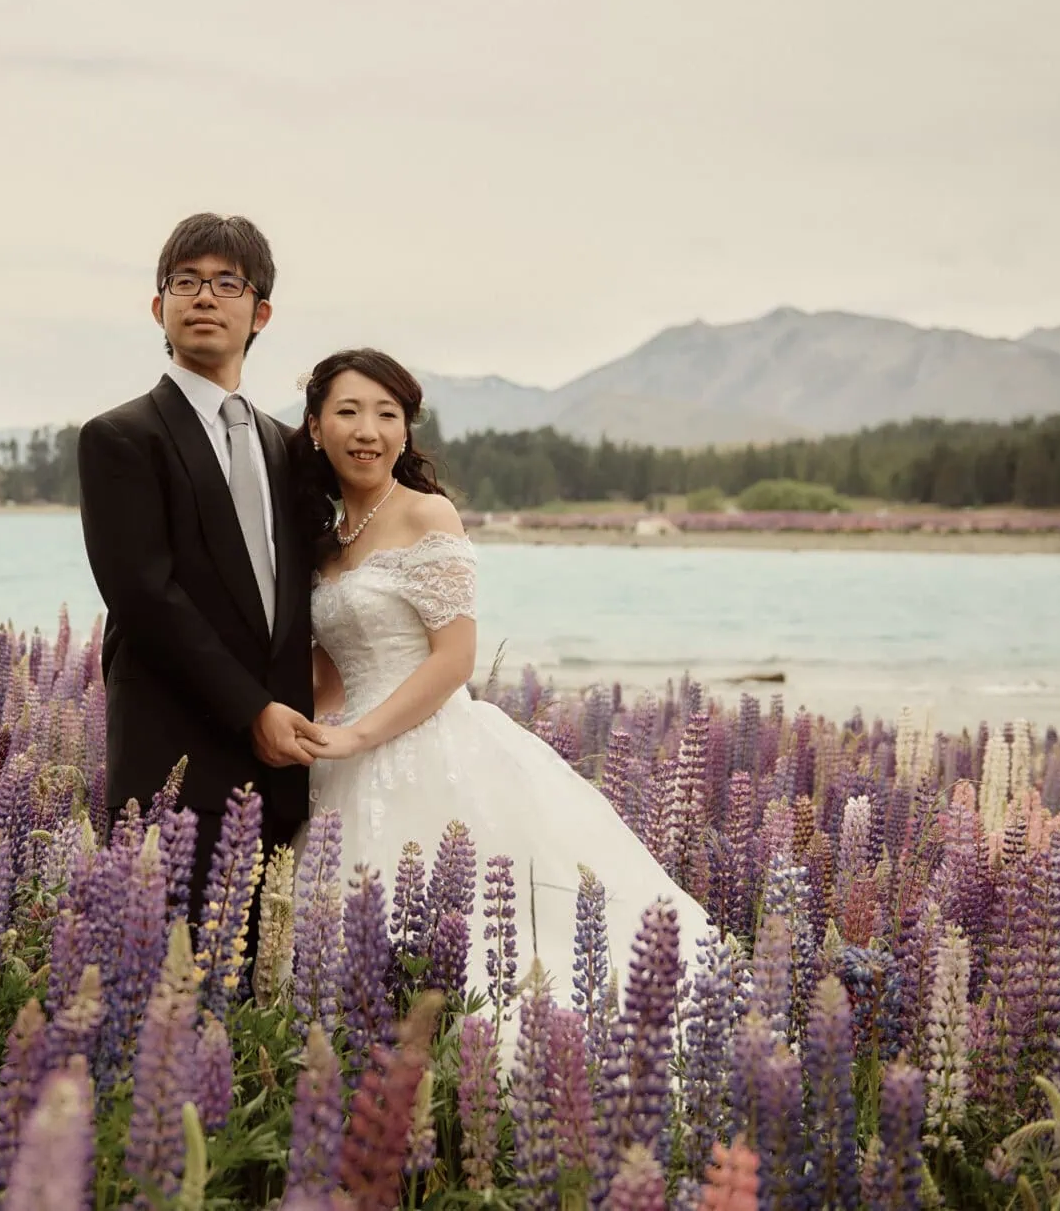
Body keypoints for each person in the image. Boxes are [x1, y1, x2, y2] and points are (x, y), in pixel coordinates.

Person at [290, 347, 714, 1024]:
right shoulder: (327, 537)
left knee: (484, 938)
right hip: (345, 758)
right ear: (316, 427)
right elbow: (339, 669)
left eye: (387, 414)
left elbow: (454, 660)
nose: (367, 431)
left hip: (430, 744)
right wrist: (276, 718)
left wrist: (360, 736)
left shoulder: (428, 515)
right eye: (348, 412)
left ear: (406, 430)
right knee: (342, 948)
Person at [76, 213, 324, 938]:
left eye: (226, 283)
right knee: (160, 975)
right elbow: (144, 596)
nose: (205, 297)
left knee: (262, 983)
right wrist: (254, 710)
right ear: (160, 307)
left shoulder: (285, 446)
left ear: (260, 313)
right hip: (172, 766)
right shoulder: (121, 437)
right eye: (186, 282)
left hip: (281, 771)